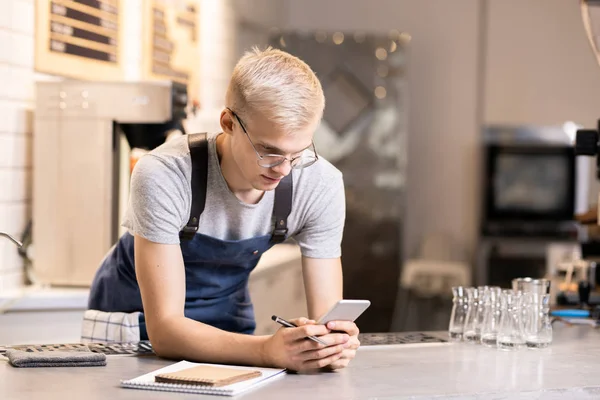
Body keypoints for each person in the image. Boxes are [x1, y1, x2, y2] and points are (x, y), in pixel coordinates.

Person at [86, 47, 360, 372]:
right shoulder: (164, 173)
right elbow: (165, 330)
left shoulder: (319, 183)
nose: (284, 169)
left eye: (298, 153)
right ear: (228, 122)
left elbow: (328, 315)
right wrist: (267, 351)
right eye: (268, 151)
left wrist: (329, 344)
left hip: (229, 334)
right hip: (135, 334)